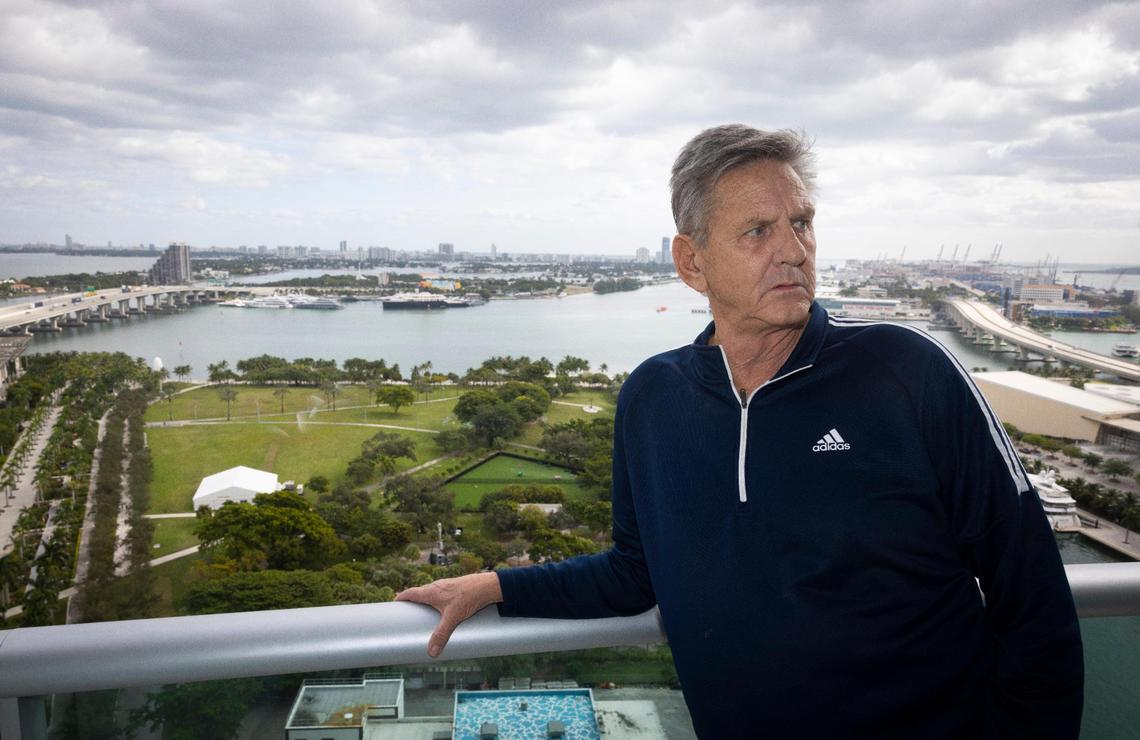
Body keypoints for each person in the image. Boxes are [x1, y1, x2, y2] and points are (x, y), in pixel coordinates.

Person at [396, 125, 1084, 738]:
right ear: (691, 263)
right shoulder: (653, 397)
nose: (793, 250)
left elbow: (1032, 596)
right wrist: (498, 587)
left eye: (802, 223)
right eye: (758, 231)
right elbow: (636, 573)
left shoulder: (907, 372)